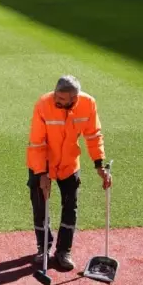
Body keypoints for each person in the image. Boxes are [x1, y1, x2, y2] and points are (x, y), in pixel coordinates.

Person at [25, 75, 111, 272]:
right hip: (42, 161)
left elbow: (93, 135)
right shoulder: (43, 104)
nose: (58, 101)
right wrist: (41, 173)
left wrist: (99, 165)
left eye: (63, 100)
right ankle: (43, 248)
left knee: (70, 206)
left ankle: (64, 251)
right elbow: (37, 142)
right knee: (40, 206)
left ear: (75, 99)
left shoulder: (88, 104)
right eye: (57, 96)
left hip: (69, 163)